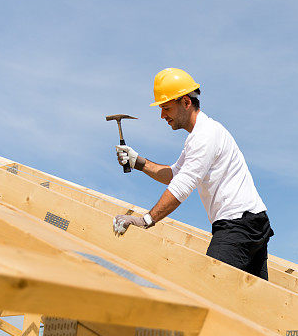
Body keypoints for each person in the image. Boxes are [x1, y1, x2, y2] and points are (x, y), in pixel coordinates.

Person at [112, 67, 274, 280]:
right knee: (248, 303)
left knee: (206, 290)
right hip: (252, 223)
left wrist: (145, 220)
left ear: (186, 103)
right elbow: (174, 174)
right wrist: (138, 162)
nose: (162, 115)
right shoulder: (202, 134)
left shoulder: (204, 136)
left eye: (167, 108)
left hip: (238, 225)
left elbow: (182, 185)